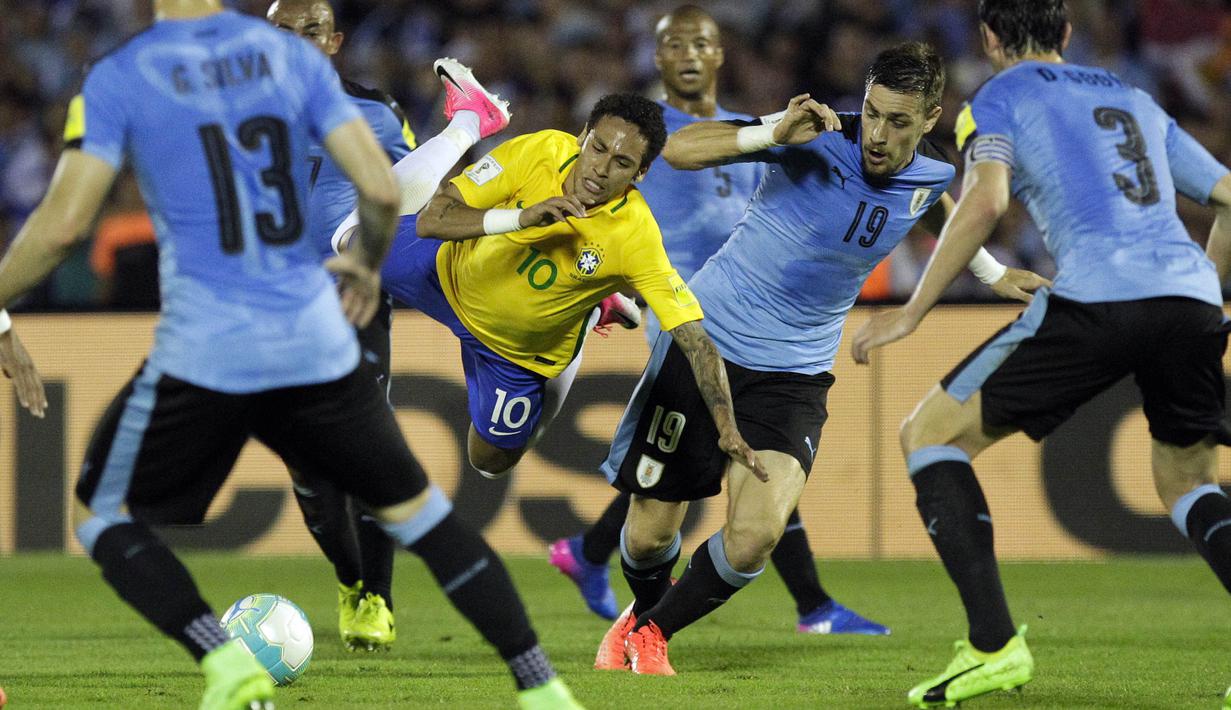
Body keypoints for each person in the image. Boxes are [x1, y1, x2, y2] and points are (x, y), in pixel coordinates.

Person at [2, 2, 581, 708]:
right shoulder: (292, 63)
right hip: (313, 331)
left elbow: (61, 228)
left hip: (210, 340)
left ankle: (224, 663)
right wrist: (367, 264)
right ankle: (541, 685)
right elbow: (380, 189)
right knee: (421, 516)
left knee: (102, 518)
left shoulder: (121, 77)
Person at [597, 41, 1047, 676]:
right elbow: (679, 149)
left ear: (929, 119)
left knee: (755, 536)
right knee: (647, 537)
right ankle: (640, 611)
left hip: (797, 371)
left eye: (898, 122)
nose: (879, 135)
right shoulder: (815, 136)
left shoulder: (933, 173)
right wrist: (769, 131)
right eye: (872, 112)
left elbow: (939, 207)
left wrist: (992, 271)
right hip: (707, 342)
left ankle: (653, 633)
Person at [850, 1, 1231, 707]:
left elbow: (984, 200)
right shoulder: (1131, 95)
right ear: (1063, 35)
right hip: (1189, 297)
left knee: (929, 436)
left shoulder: (996, 96)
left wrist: (911, 311)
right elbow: (1228, 195)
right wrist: (1203, 288)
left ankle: (993, 647)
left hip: (1096, 294)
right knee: (1188, 483)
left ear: (989, 39)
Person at [548, 4, 887, 637]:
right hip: (678, 312)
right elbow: (592, 208)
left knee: (729, 464)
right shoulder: (639, 134)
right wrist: (601, 287)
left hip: (748, 314)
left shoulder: (747, 129)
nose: (687, 53)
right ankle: (811, 606)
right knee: (733, 461)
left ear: (718, 53)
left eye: (700, 42)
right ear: (658, 57)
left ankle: (590, 554)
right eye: (673, 44)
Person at [331, 91, 763, 489]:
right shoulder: (539, 151)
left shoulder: (635, 238)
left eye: (622, 162)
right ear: (583, 136)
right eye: (598, 148)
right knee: (349, 240)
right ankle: (468, 119)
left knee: (490, 463)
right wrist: (522, 218)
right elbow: (434, 219)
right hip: (443, 272)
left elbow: (696, 341)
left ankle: (590, 306)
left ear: (641, 173)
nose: (600, 169)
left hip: (514, 353)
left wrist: (727, 426)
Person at [267, 0, 417, 653]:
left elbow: (411, 193)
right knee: (309, 471)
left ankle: (376, 597)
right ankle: (351, 579)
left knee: (365, 450)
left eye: (309, 31)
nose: (296, 43)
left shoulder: (377, 114)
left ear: (332, 40)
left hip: (350, 302)